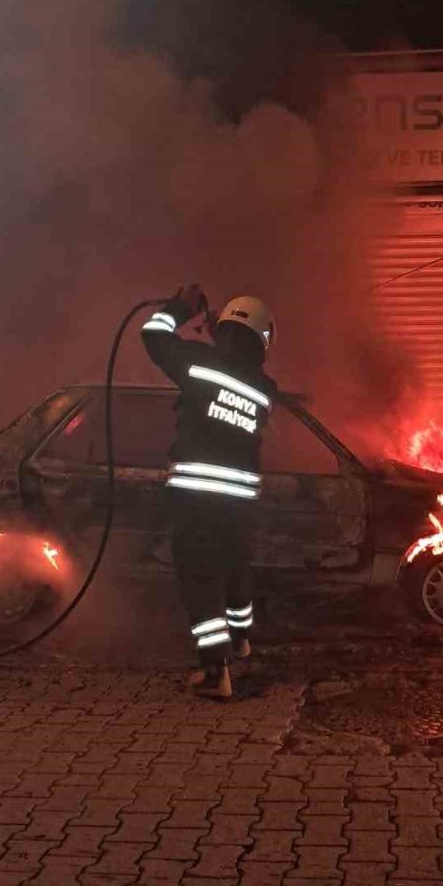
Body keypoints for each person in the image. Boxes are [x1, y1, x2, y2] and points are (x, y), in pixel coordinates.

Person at [141, 284, 277, 700]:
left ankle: (215, 673)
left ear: (227, 333)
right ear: (263, 342)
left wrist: (180, 308)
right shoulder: (265, 389)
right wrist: (223, 334)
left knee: (199, 579)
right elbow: (235, 367)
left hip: (197, 497)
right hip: (239, 500)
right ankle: (240, 641)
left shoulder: (199, 363)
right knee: (235, 569)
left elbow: (153, 335)